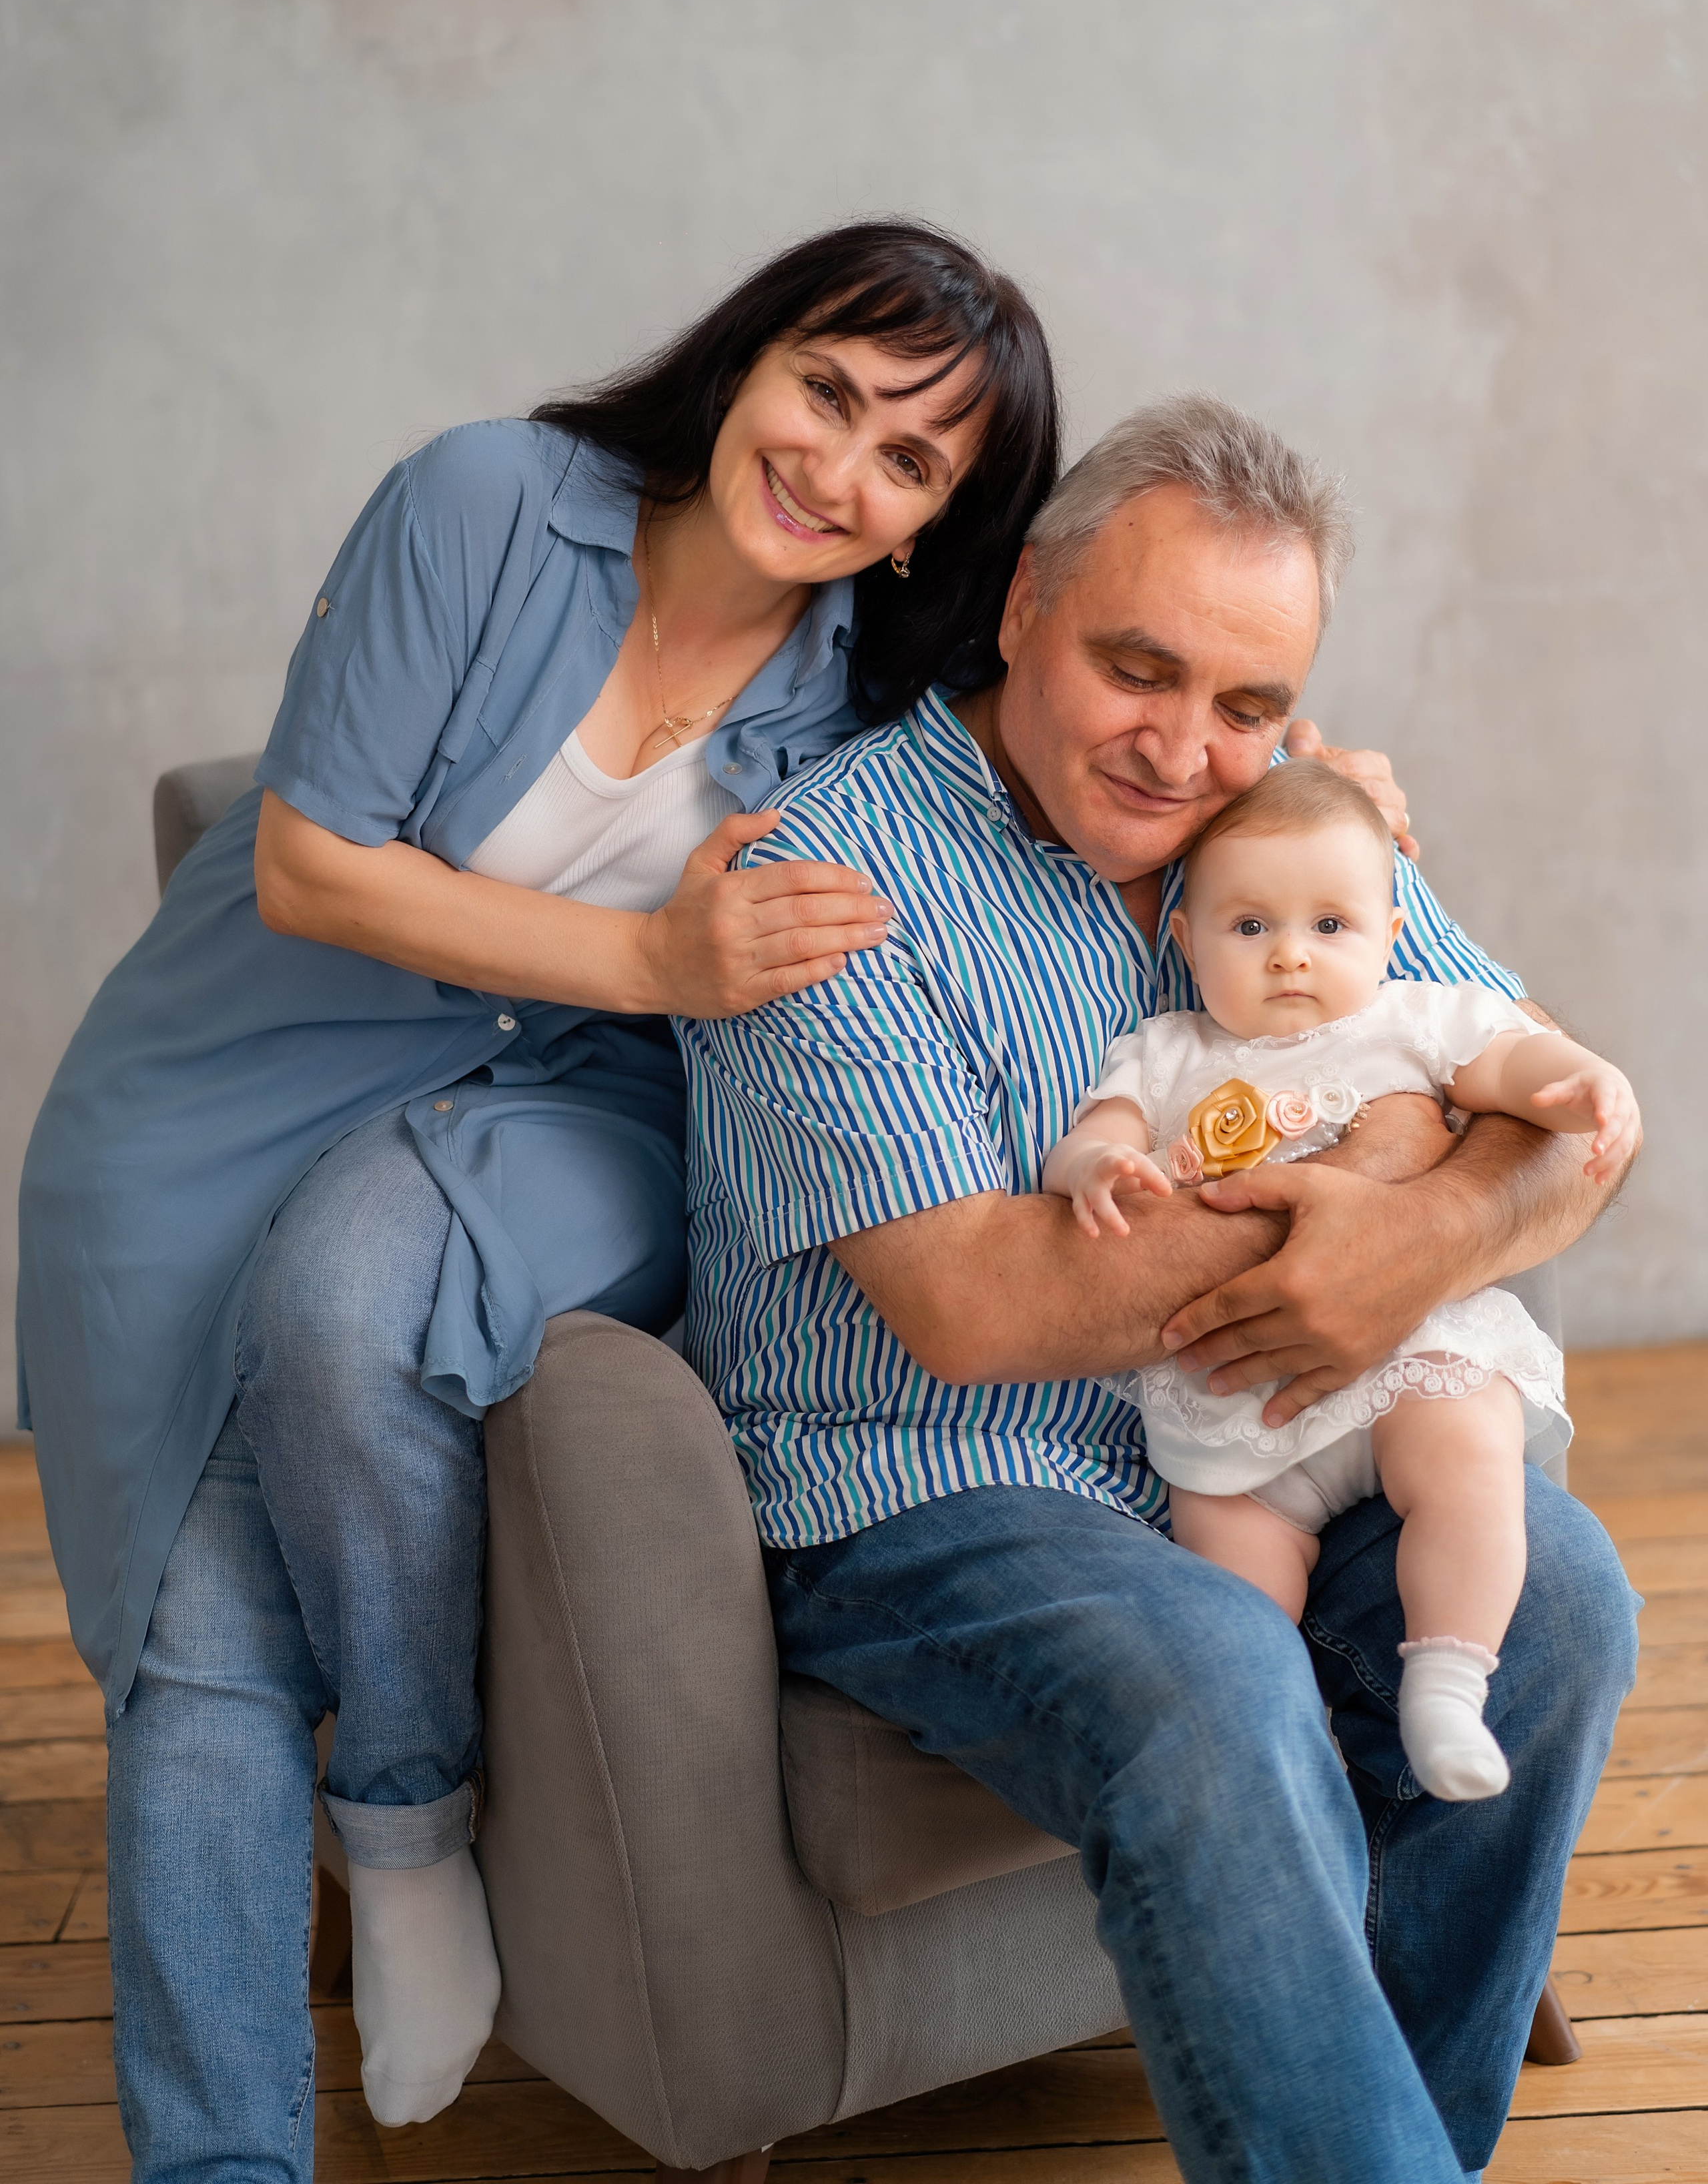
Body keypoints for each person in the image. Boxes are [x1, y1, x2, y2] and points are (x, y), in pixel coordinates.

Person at [17, 220, 1062, 2176]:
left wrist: (1316, 782)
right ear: (748, 358)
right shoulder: (487, 498)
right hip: (238, 1068)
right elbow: (315, 870)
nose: (841, 470)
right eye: (828, 392)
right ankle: (267, 2082)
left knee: (347, 1307)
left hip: (575, 1108)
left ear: (938, 522)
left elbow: (1121, 710)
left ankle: (410, 1807)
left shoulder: (873, 703)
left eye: (910, 461)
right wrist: (668, 956)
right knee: (201, 1633)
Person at [678, 396, 1639, 2184]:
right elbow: (978, 1305)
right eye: (1142, 668)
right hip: (926, 1487)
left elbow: (1570, 1111)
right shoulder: (828, 873)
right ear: (1027, 602)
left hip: (1247, 1453)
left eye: (1249, 704)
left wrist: (1419, 1240)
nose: (1187, 749)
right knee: (1215, 1677)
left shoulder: (1293, 835)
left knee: (1566, 1601)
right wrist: (1370, 1212)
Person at [1043, 757, 1639, 1799]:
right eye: (1249, 928)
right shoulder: (1168, 1049)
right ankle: (1280, 1747)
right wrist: (1102, 1167)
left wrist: (1584, 1082)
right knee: (1229, 1572)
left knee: (1468, 1462)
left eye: (1330, 927)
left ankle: (1449, 1681)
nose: (1289, 958)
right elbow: (1103, 1127)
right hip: (1242, 1401)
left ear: (1388, 937)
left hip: (1406, 1356)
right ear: (1183, 942)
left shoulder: (1410, 1017)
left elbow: (1508, 1066)